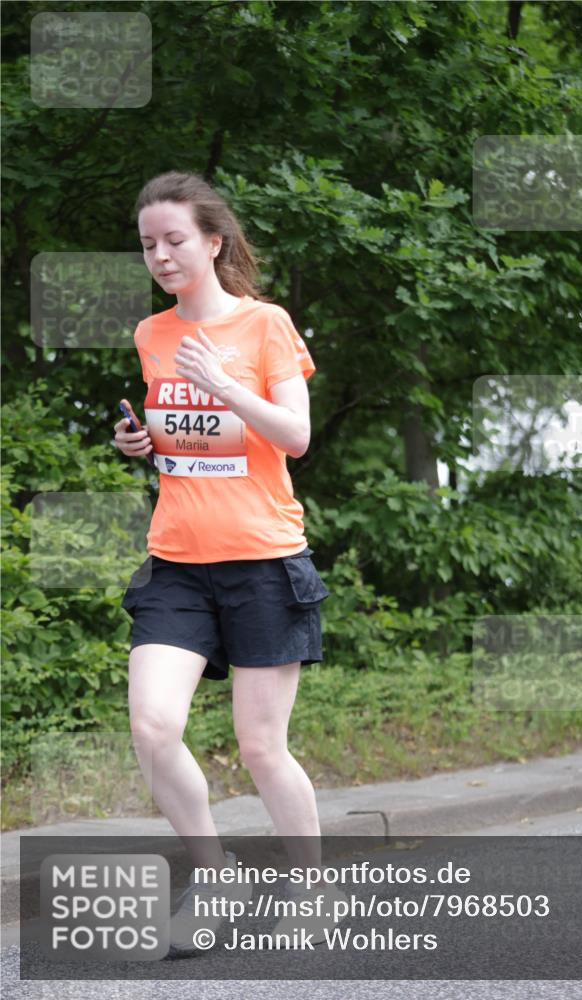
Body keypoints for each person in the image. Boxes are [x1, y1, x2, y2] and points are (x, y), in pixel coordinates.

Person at [113, 171, 342, 957]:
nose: (162, 255)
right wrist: (144, 444)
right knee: (151, 725)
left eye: (175, 240)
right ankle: (213, 877)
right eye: (148, 245)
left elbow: (295, 437)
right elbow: (186, 448)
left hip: (263, 560)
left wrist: (225, 390)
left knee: (259, 746)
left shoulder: (263, 325)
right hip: (177, 561)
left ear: (213, 241)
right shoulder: (152, 336)